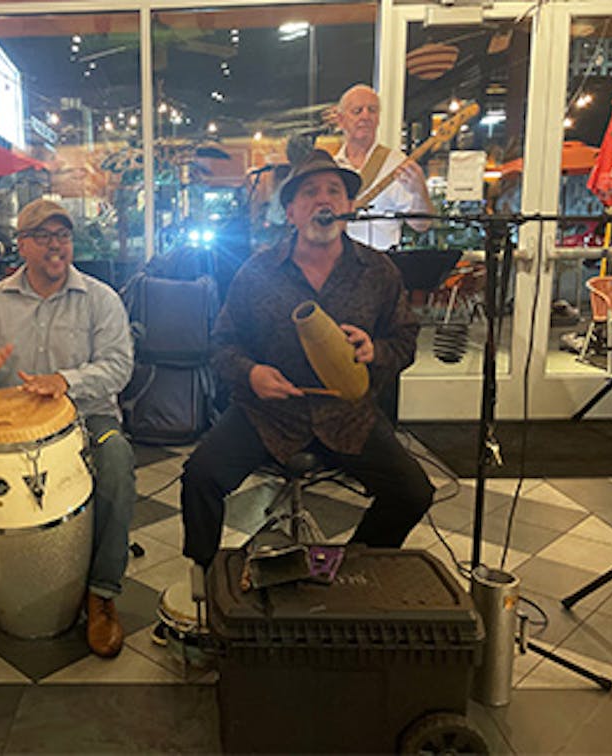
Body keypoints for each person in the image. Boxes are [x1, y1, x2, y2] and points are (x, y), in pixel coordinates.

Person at [180, 150, 434, 570]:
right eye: (310, 192)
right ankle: (206, 580)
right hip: (270, 414)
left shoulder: (378, 271)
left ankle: (349, 565)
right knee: (200, 477)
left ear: (349, 207)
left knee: (413, 493)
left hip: (348, 416)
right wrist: (252, 373)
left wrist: (377, 351)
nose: (324, 200)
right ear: (291, 212)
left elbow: (405, 339)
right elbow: (222, 345)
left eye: (334, 191)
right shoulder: (257, 272)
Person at [0, 198, 136, 658]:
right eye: (44, 236)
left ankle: (102, 594)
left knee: (117, 461)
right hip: (8, 430)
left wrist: (66, 382)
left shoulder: (101, 299)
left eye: (62, 236)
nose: (56, 245)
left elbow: (119, 366)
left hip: (88, 419)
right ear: (22, 245)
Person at [333, 84, 433, 251]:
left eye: (372, 110)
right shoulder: (332, 167)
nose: (366, 116)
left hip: (383, 264)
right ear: (341, 120)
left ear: (378, 118)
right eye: (357, 111)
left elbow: (421, 224)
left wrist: (419, 192)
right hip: (340, 265)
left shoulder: (397, 163)